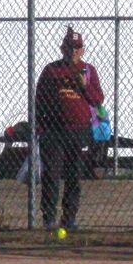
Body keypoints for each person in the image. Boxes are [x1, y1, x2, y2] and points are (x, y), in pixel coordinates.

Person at [34, 25, 104, 231]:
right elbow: (40, 99)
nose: (73, 52)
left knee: (74, 174)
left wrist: (84, 86)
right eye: (69, 47)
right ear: (62, 48)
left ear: (82, 50)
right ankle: (49, 217)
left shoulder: (88, 71)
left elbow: (98, 100)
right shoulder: (51, 70)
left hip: (79, 130)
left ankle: (70, 217)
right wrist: (40, 126)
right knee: (52, 174)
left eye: (77, 48)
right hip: (54, 131)